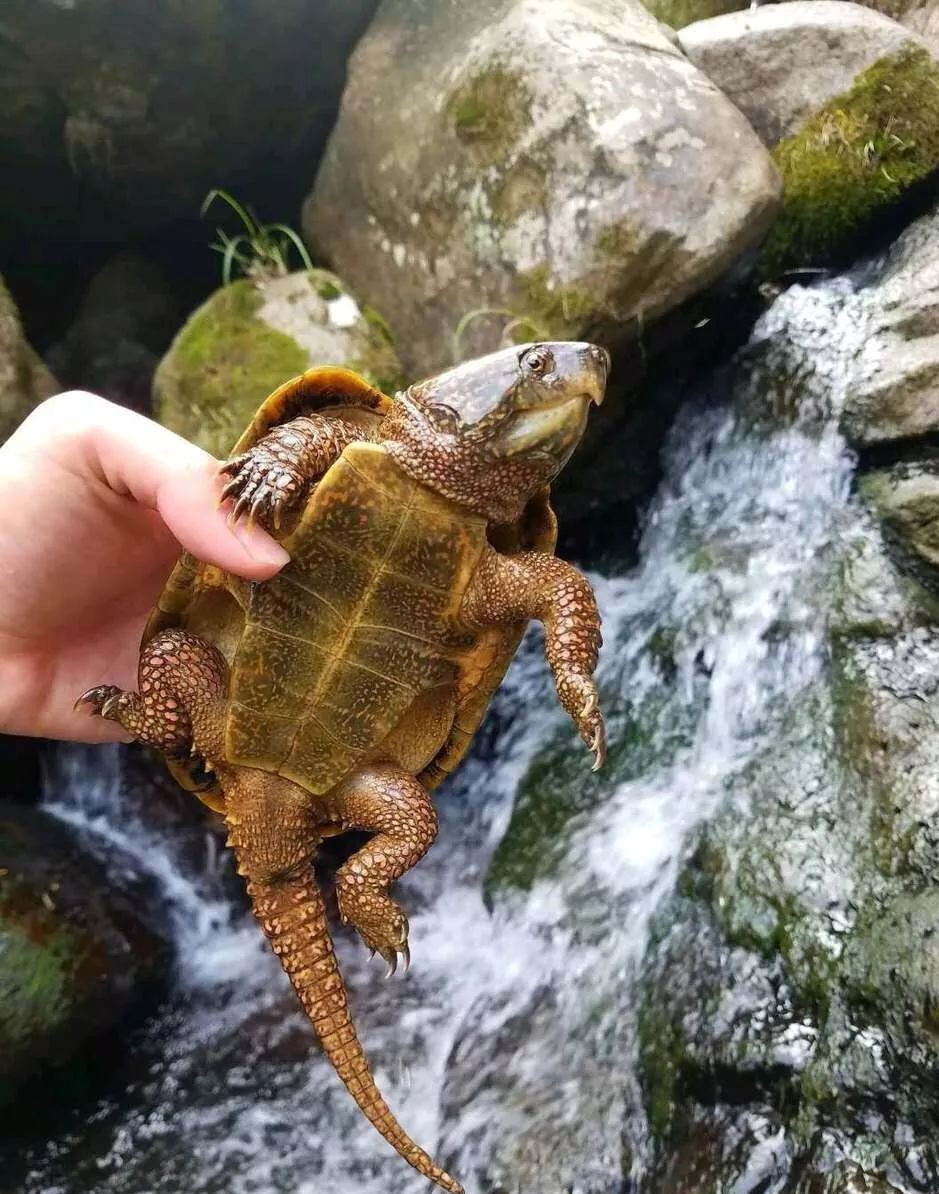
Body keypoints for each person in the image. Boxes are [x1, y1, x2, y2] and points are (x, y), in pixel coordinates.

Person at [0, 391, 289, 743]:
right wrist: (281, 458)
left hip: (256, 730)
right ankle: (169, 726)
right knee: (169, 653)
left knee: (169, 653)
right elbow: (332, 426)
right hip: (243, 719)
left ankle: (167, 726)